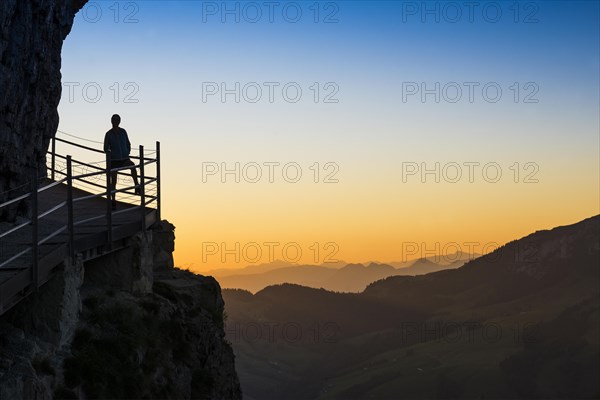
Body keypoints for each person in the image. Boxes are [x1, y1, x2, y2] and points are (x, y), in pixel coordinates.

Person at [103, 114, 140, 209]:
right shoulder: (108, 134)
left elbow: (128, 143)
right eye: (114, 120)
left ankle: (137, 186)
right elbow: (105, 148)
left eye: (117, 120)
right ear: (111, 121)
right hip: (114, 161)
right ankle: (113, 200)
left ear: (119, 121)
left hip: (124, 158)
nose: (115, 121)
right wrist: (110, 153)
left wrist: (127, 152)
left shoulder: (123, 132)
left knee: (133, 167)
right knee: (113, 181)